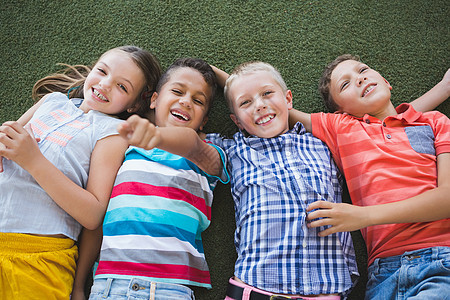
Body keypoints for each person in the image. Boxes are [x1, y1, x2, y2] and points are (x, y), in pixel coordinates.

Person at [0, 45, 162, 299]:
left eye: (122, 87)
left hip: (38, 256)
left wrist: (33, 160)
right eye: (102, 71)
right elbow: (7, 143)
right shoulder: (51, 101)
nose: (106, 84)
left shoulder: (111, 132)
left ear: (132, 105)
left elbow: (93, 214)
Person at [289, 54, 450, 299]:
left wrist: (363, 216)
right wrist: (211, 72)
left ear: (386, 81)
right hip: (382, 276)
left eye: (363, 69)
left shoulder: (434, 122)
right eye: (345, 84)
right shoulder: (342, 128)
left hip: (441, 260)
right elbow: (273, 105)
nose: (360, 78)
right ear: (342, 111)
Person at [73, 58, 229, 300]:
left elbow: (191, 144)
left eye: (198, 101)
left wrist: (157, 135)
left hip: (168, 289)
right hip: (106, 286)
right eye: (177, 91)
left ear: (204, 121)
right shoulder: (124, 148)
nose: (186, 101)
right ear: (154, 100)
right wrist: (78, 285)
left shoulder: (209, 151)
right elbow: (98, 221)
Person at [208, 61, 359, 299]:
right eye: (245, 103)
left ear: (288, 99)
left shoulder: (324, 144)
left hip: (326, 291)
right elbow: (182, 135)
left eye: (267, 93)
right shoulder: (233, 149)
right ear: (237, 121)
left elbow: (378, 131)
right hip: (254, 289)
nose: (259, 105)